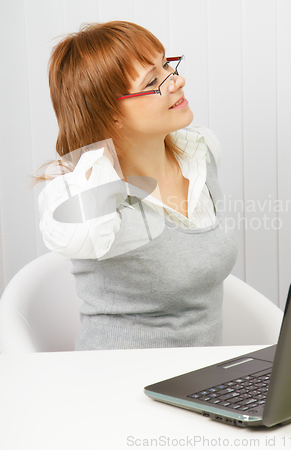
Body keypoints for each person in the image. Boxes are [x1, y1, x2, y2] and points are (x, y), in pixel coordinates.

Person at [37, 20, 237, 351]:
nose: (178, 81)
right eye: (153, 80)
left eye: (166, 66)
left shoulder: (200, 150)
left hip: (200, 384)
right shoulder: (88, 195)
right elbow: (80, 233)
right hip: (118, 385)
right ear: (109, 113)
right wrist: (99, 150)